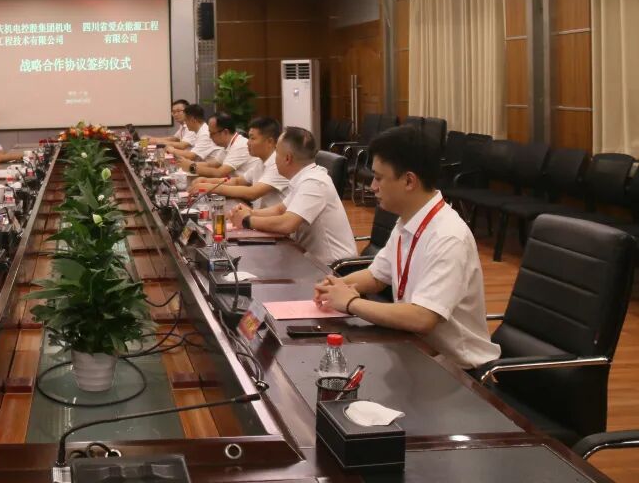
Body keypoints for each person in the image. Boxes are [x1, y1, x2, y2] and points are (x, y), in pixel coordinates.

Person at [313, 126, 501, 371]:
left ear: (409, 181)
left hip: (456, 370)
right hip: (414, 350)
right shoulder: (409, 220)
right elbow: (375, 277)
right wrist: (336, 287)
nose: (372, 186)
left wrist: (350, 303)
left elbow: (422, 318)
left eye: (379, 178)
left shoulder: (448, 236)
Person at [229, 126, 357, 265]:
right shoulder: (304, 177)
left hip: (333, 268)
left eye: (276, 152)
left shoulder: (314, 182)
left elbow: (287, 224)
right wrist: (251, 212)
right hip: (307, 259)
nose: (274, 157)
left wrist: (247, 220)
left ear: (287, 158)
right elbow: (280, 209)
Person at [196, 116, 288, 209]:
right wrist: (206, 181)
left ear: (270, 142)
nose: (248, 142)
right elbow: (237, 181)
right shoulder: (260, 162)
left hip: (271, 217)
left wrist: (210, 187)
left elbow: (253, 193)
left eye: (252, 138)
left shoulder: (277, 164)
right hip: (259, 213)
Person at [177, 112, 256, 178]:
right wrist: (189, 164)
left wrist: (191, 167)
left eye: (212, 133)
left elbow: (219, 173)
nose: (210, 137)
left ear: (225, 132)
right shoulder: (227, 144)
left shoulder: (240, 145)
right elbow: (212, 164)